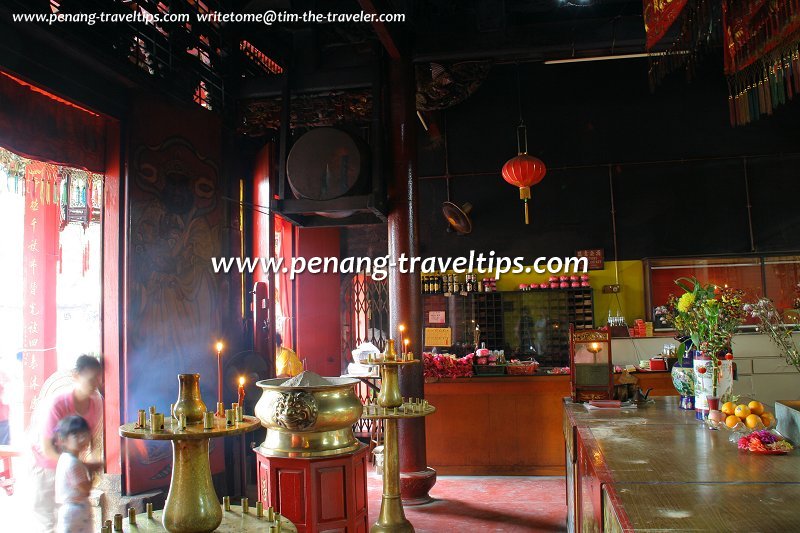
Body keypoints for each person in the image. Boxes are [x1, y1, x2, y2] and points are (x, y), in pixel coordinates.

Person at [30, 355, 104, 533]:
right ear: (75, 376)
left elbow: (92, 438)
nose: (96, 384)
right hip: (45, 464)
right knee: (48, 522)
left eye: (98, 379)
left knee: (70, 522)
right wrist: (81, 465)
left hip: (71, 464)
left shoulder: (96, 402)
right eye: (91, 379)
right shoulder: (57, 403)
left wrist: (92, 462)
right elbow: (47, 449)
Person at [54, 415, 93, 533]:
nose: (82, 438)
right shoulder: (73, 463)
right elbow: (85, 489)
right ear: (63, 440)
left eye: (84, 434)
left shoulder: (65, 458)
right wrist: (92, 474)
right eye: (76, 435)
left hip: (73, 510)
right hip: (75, 512)